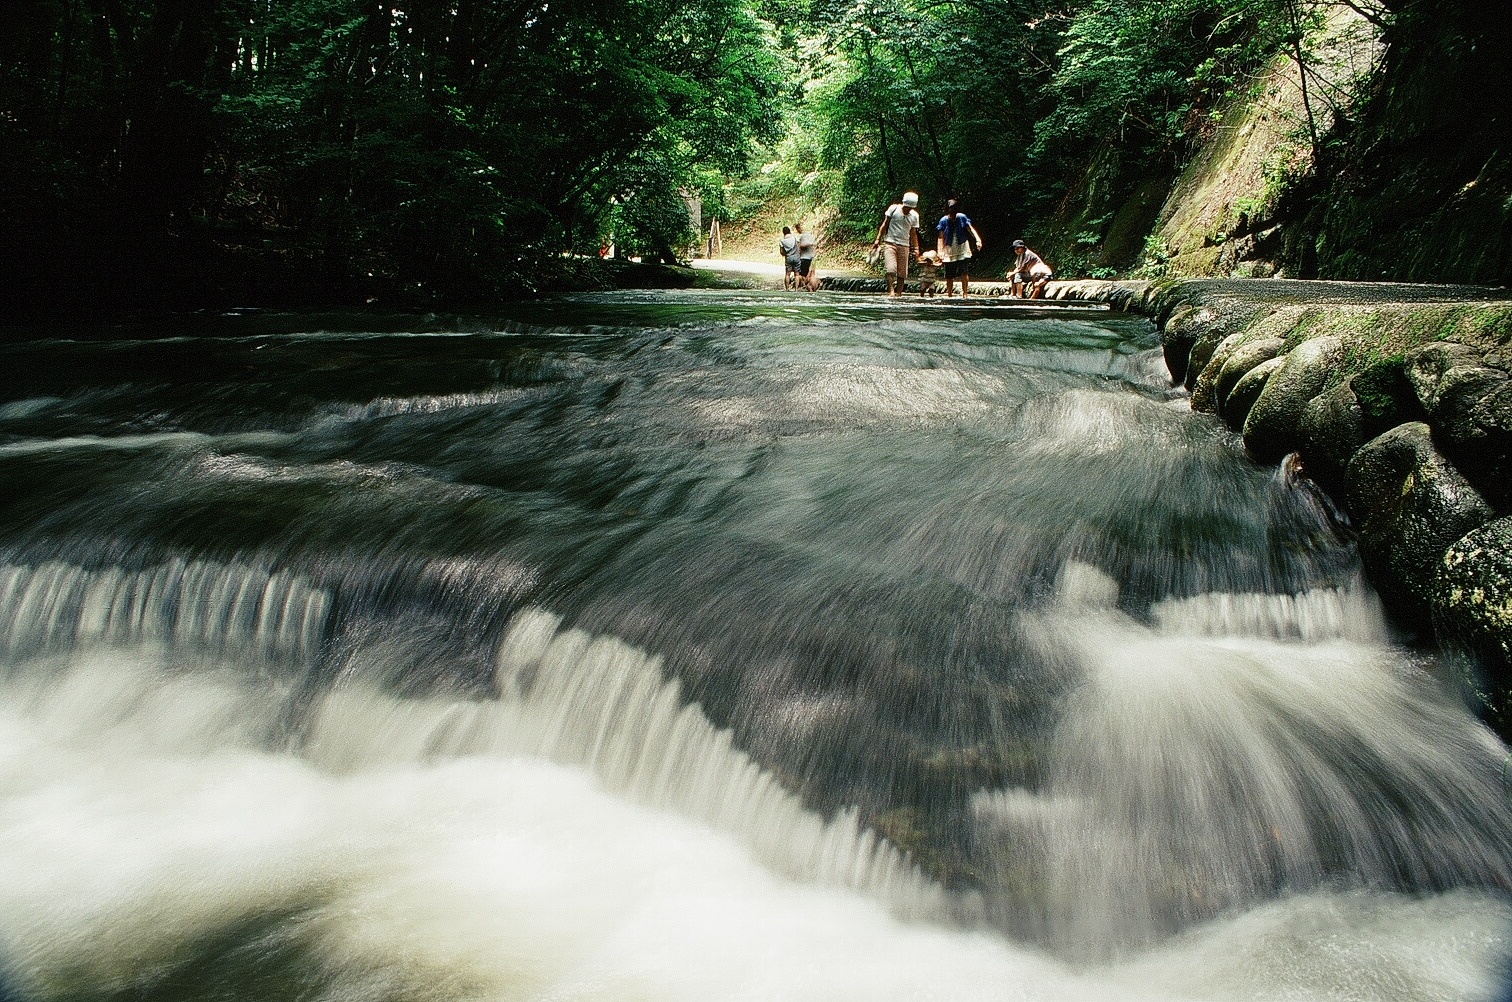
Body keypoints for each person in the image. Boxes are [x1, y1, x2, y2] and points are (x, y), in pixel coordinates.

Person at [871, 191, 921, 296]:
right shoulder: (893, 209)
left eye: (910, 208)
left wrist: (916, 249)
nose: (908, 209)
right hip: (890, 243)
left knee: (902, 272)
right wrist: (877, 240)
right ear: (904, 204)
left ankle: (899, 293)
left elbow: (913, 233)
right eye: (906, 207)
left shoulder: (914, 216)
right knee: (890, 269)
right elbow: (884, 224)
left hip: (905, 245)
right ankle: (891, 291)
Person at [935, 198, 983, 298]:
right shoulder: (943, 220)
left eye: (954, 209)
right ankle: (949, 295)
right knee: (949, 275)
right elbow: (940, 236)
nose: (952, 211)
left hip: (962, 247)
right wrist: (940, 251)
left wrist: (978, 240)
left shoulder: (962, 217)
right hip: (949, 249)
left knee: (964, 271)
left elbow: (970, 229)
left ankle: (965, 294)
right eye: (950, 209)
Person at [795, 221, 818, 292]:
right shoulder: (811, 235)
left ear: (799, 228)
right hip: (811, 257)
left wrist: (807, 244)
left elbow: (801, 246)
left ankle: (807, 287)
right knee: (811, 273)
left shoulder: (802, 236)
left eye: (797, 229)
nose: (797, 231)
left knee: (803, 275)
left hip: (804, 258)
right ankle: (810, 287)